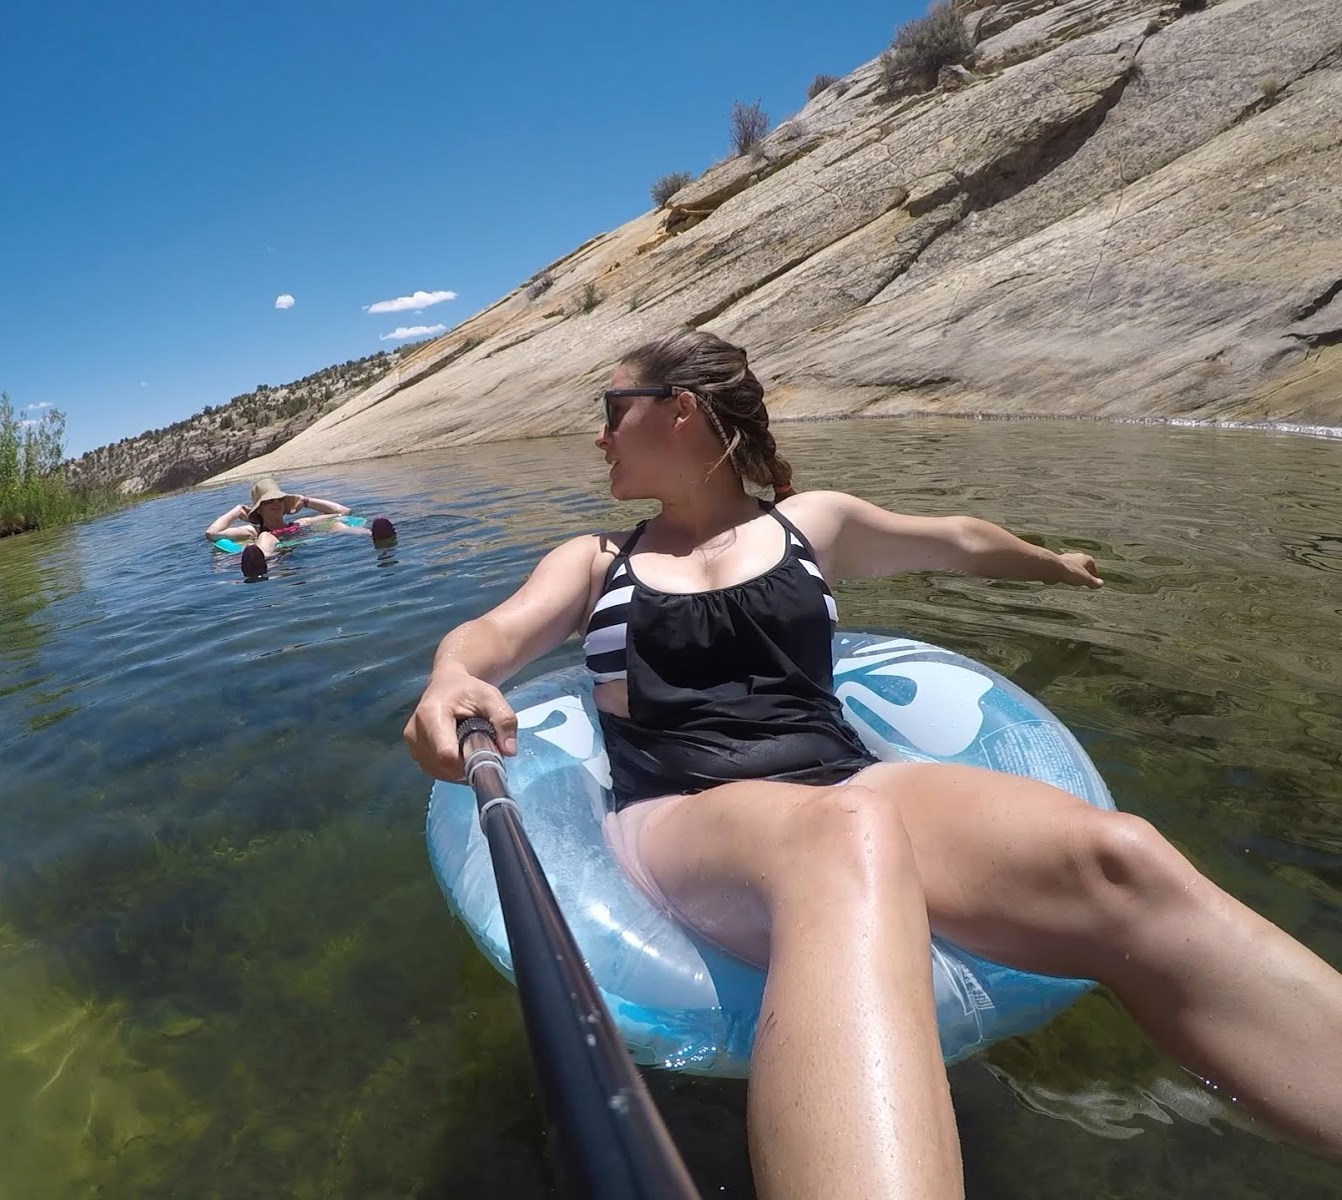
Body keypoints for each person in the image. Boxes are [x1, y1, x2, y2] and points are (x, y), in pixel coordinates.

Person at [403, 330, 1342, 1200]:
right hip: (685, 807)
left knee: (1118, 855)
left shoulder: (812, 524)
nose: (599, 439)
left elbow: (957, 540)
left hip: (846, 776)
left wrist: (1053, 563)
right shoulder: (596, 560)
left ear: (678, 407)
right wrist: (451, 677)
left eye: (612, 413)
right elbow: (490, 637)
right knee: (840, 834)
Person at [205, 477, 396, 578]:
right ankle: (260, 564)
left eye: (279, 499)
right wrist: (237, 511)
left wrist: (306, 501)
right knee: (266, 539)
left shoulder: (300, 523)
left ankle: (373, 535)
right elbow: (212, 533)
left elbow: (344, 512)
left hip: (301, 545)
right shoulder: (253, 531)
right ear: (259, 508)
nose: (276, 503)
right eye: (268, 500)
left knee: (336, 524)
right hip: (273, 557)